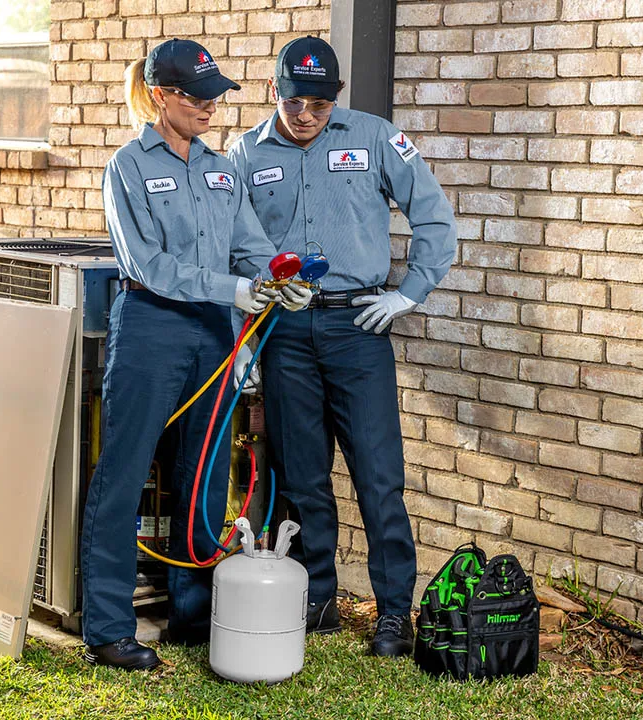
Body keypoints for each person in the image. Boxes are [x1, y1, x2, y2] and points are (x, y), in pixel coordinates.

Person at [80, 38, 309, 671]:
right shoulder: (127, 166)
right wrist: (236, 288)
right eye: (197, 95)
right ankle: (107, 628)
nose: (212, 105)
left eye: (217, 94)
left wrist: (280, 276)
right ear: (159, 95)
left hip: (215, 331)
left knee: (204, 475)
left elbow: (249, 245)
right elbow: (148, 264)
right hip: (152, 325)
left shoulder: (219, 168)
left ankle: (190, 616)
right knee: (124, 476)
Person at [227, 36, 458, 657]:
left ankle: (392, 615)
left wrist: (408, 294)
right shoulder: (245, 153)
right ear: (275, 90)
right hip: (284, 334)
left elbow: (435, 218)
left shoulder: (376, 138)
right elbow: (231, 244)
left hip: (359, 329)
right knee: (301, 476)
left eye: (320, 104)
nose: (306, 115)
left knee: (379, 478)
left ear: (337, 100)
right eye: (296, 100)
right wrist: (246, 331)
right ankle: (317, 598)